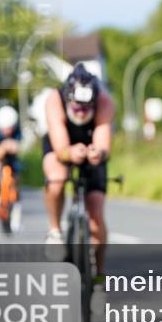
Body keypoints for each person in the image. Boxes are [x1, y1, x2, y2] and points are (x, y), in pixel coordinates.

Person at [42, 64, 114, 283]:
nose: (81, 112)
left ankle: (99, 277)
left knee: (96, 215)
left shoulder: (104, 102)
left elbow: (103, 143)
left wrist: (97, 153)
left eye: (86, 107)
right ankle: (55, 231)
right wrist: (69, 153)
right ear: (67, 98)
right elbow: (60, 144)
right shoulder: (54, 100)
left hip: (90, 145)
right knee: (56, 181)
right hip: (61, 145)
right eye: (76, 107)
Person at [0, 105, 22, 213]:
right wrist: (5, 146)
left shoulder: (17, 130)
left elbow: (20, 147)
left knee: (17, 175)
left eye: (10, 128)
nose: (8, 131)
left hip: (12, 158)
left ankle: (15, 199)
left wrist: (13, 147)